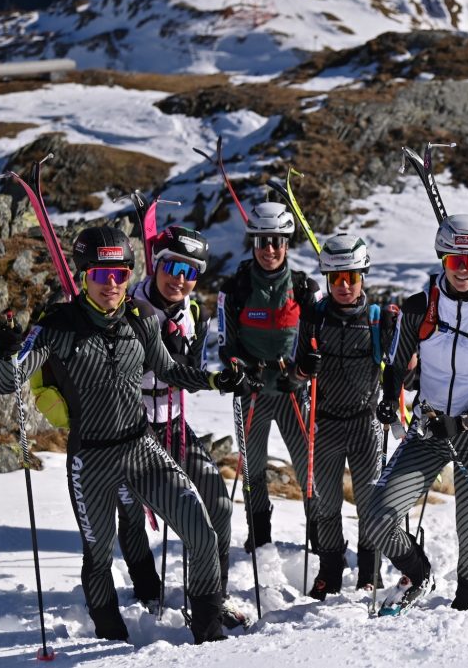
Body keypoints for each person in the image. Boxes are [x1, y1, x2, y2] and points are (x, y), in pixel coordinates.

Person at [0, 226, 252, 644]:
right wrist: (5, 351)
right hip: (90, 460)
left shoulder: (142, 319)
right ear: (83, 275)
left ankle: (208, 637)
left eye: (121, 274)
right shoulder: (56, 324)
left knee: (201, 531)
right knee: (98, 554)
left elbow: (168, 370)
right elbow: (9, 381)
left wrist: (217, 381)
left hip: (141, 447)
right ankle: (111, 638)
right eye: (101, 274)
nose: (111, 284)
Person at [361, 214, 468, 613]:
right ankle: (418, 574)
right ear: (442, 260)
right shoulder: (418, 309)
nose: (463, 271)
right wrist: (389, 396)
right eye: (454, 261)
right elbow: (396, 365)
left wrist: (465, 420)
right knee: (379, 517)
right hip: (429, 428)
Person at [113, 225, 248, 628]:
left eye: (190, 272)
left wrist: (207, 370)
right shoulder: (125, 305)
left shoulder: (190, 312)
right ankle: (146, 592)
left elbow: (191, 372)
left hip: (173, 423)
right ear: (156, 263)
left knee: (218, 504)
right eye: (172, 266)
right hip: (129, 429)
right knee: (131, 514)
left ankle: (212, 592)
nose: (180, 279)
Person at [290, 234, 398, 600]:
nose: (344, 286)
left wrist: (394, 397)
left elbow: (403, 370)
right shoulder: (314, 318)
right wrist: (305, 367)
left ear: (362, 277)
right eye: (336, 279)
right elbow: (294, 375)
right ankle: (329, 573)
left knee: (369, 501)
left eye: (351, 278)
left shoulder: (377, 319)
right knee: (326, 503)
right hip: (324, 423)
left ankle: (369, 573)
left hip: (364, 423)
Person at [217, 202, 320, 551]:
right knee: (253, 469)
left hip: (292, 393)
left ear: (287, 244)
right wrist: (243, 370)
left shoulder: (305, 289)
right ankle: (259, 536)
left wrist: (302, 372)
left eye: (277, 241)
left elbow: (318, 347)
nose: (270, 250)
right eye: (262, 242)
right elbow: (224, 346)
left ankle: (320, 537)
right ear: (253, 244)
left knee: (308, 469)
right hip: (254, 394)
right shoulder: (236, 289)